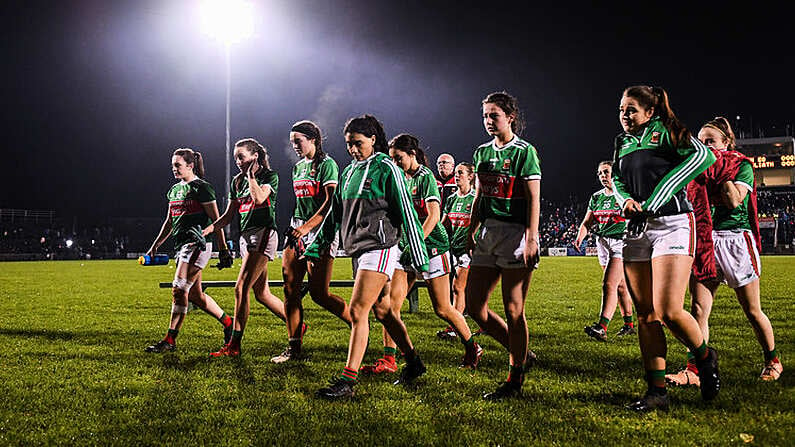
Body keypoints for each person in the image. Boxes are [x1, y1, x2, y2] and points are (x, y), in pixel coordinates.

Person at [306, 115, 430, 399]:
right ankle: (413, 362)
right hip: (358, 250)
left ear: (373, 140)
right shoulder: (348, 172)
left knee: (358, 310)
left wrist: (418, 255)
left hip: (381, 246)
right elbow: (334, 215)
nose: (352, 149)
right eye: (349, 144)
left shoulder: (387, 168)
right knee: (383, 311)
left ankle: (347, 381)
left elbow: (406, 212)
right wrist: (317, 245)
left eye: (358, 143)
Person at [612, 85, 718, 411]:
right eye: (621, 110)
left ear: (650, 111)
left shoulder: (668, 132)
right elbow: (616, 178)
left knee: (669, 309)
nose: (624, 116)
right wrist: (624, 200)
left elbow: (704, 155)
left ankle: (705, 356)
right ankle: (657, 392)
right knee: (645, 314)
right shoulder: (622, 142)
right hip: (636, 229)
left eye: (631, 109)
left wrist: (654, 201)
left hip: (672, 223)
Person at [666, 117, 782, 386]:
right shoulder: (695, 168)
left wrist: (716, 171)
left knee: (752, 311)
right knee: (698, 310)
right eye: (701, 141)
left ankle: (773, 360)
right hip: (706, 240)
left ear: (726, 143)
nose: (704, 146)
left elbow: (733, 200)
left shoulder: (741, 165)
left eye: (711, 141)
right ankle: (694, 370)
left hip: (736, 241)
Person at [360, 134, 482, 375]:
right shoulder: (398, 177)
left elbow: (434, 216)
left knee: (443, 308)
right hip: (406, 248)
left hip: (433, 247)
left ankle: (472, 347)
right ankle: (389, 359)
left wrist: (414, 244)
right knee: (390, 306)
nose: (395, 163)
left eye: (399, 158)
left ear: (412, 155)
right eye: (392, 159)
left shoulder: (425, 177)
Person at [465, 91, 541, 400]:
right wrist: (472, 227)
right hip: (488, 234)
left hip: (515, 235)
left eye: (493, 115)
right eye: (485, 115)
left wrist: (532, 236)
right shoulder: (482, 152)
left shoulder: (525, 151)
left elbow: (534, 197)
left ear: (510, 117)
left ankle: (515, 377)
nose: (488, 121)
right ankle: (520, 350)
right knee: (474, 307)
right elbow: (480, 195)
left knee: (513, 308)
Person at [273, 120, 352, 363]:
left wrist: (308, 228)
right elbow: (300, 203)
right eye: (292, 142)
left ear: (313, 140)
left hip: (322, 231)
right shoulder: (298, 168)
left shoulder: (328, 165)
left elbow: (329, 204)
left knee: (319, 294)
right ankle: (293, 348)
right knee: (290, 289)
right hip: (298, 228)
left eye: (298, 141)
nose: (295, 146)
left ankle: (357, 325)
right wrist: (298, 227)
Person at [143, 148, 235, 353]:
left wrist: (223, 248)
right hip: (182, 246)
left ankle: (170, 340)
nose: (174, 169)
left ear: (190, 165)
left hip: (198, 244)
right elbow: (169, 221)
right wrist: (155, 245)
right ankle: (229, 323)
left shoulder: (202, 188)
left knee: (178, 288)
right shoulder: (174, 190)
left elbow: (216, 220)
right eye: (172, 165)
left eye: (178, 165)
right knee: (195, 295)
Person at [203, 138, 284, 357]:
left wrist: (250, 176)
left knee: (240, 289)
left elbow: (258, 199)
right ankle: (296, 324)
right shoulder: (236, 182)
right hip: (246, 240)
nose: (238, 161)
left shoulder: (269, 176)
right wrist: (208, 230)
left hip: (264, 235)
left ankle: (234, 345)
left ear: (254, 156)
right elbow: (229, 215)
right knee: (262, 293)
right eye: (235, 158)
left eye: (241, 157)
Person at [573, 161, 635, 341]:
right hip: (602, 243)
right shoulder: (596, 197)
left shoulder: (625, 195)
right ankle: (628, 325)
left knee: (609, 284)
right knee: (620, 286)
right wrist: (580, 236)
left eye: (606, 172)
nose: (602, 176)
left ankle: (602, 327)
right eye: (600, 173)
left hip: (620, 243)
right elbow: (587, 222)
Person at [437, 162, 480, 339]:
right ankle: (484, 322)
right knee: (469, 291)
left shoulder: (475, 199)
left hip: (468, 250)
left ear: (470, 176)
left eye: (460, 173)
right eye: (455, 173)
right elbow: (443, 224)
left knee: (458, 287)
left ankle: (455, 328)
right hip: (453, 249)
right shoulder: (452, 199)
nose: (456, 176)